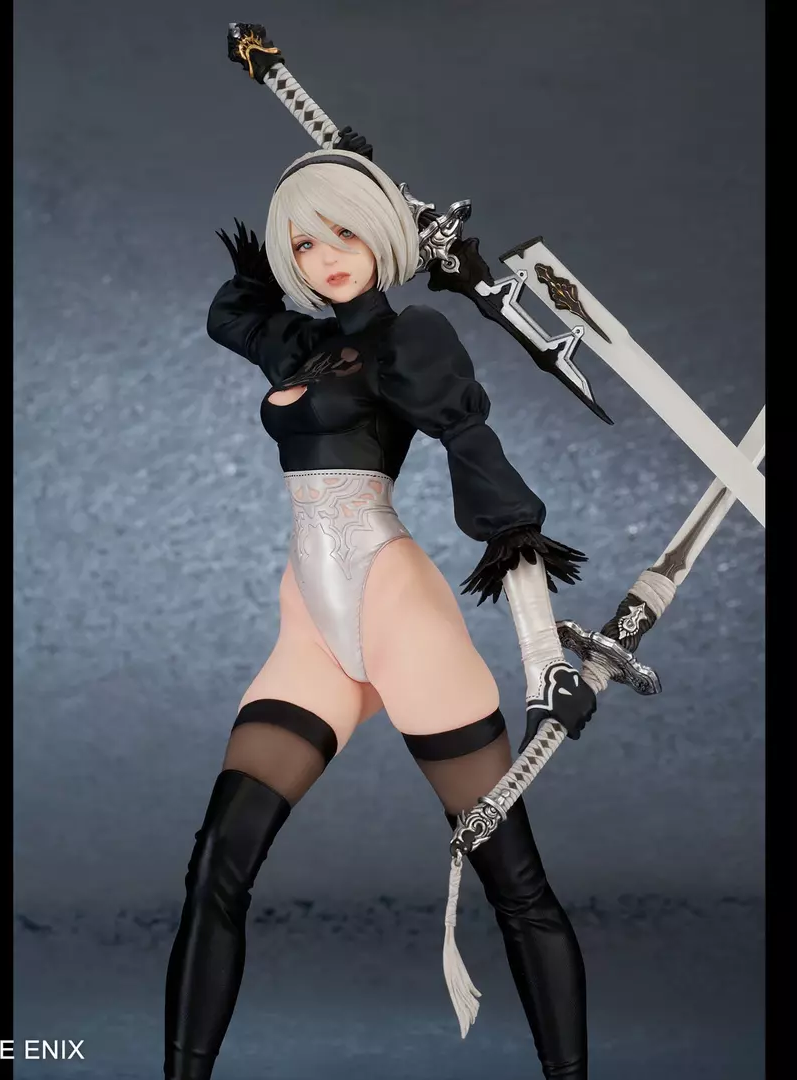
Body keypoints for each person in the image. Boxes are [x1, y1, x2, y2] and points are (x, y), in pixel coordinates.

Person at [163, 134, 598, 1079]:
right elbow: (232, 314)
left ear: (384, 233)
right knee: (217, 868)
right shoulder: (301, 343)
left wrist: (545, 657)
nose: (327, 258)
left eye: (346, 234)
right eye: (306, 244)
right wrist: (302, 199)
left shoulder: (413, 338)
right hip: (313, 630)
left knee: (514, 882)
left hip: (398, 612)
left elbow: (483, 468)